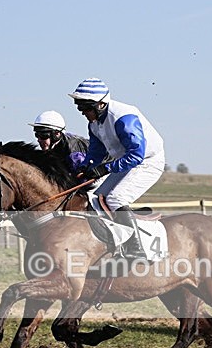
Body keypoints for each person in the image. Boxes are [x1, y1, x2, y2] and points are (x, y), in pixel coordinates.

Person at [69, 78, 165, 260]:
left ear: (100, 104)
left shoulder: (124, 119)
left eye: (85, 107)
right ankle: (115, 243)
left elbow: (136, 155)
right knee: (95, 198)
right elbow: (96, 152)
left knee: (116, 198)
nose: (82, 111)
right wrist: (84, 167)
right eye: (79, 107)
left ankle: (136, 247)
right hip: (126, 162)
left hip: (147, 161)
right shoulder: (94, 123)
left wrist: (104, 169)